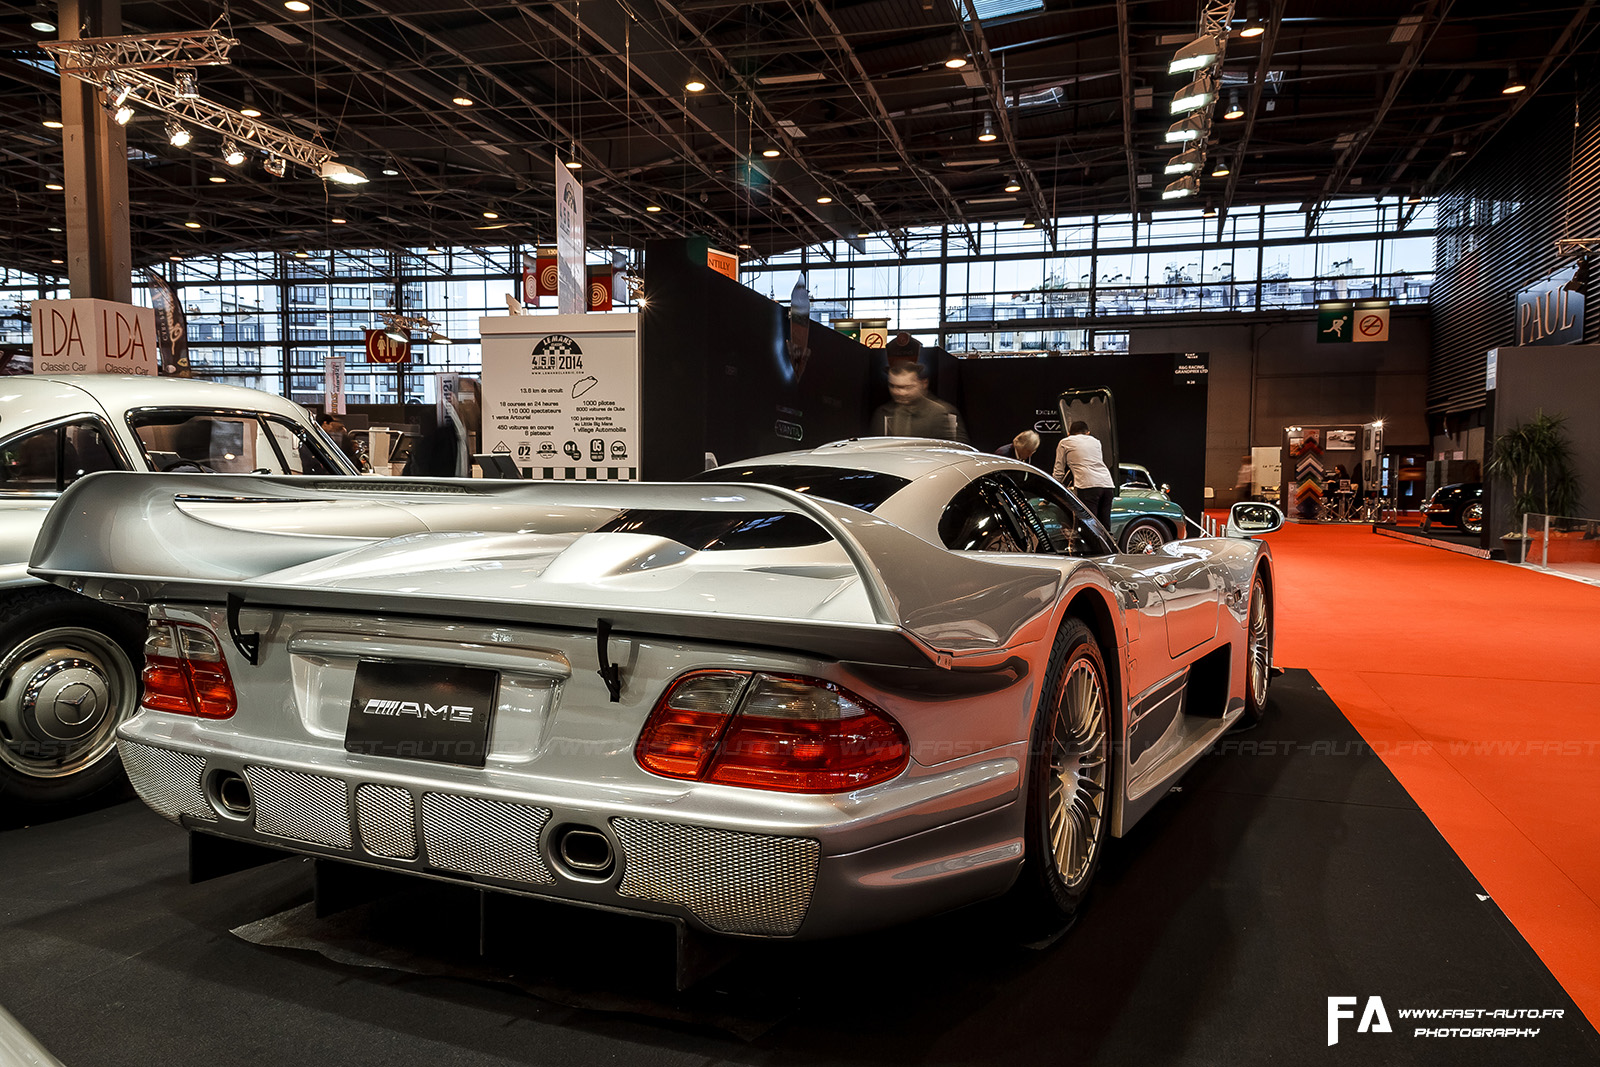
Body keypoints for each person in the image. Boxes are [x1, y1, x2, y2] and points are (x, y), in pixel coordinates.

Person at [869, 362, 968, 442]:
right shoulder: (882, 413)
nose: (899, 392)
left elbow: (959, 452)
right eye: (893, 386)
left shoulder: (943, 413)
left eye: (907, 387)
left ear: (923, 384)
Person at [1053, 420, 1115, 530]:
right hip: (1107, 484)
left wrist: (1052, 489)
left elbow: (1059, 471)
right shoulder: (1096, 441)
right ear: (1088, 433)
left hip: (1087, 486)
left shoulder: (1064, 442)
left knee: (1089, 529)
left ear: (1069, 433)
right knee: (1104, 529)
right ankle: (1108, 547)